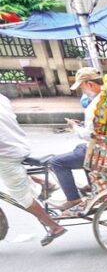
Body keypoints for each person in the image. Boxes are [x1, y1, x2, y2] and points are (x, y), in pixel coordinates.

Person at [0, 94, 67, 245]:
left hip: (6, 154)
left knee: (21, 197)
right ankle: (44, 183)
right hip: (19, 144)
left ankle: (54, 226)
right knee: (15, 174)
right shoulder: (2, 98)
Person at [48, 67, 103, 213]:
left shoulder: (94, 106)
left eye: (82, 87)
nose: (82, 91)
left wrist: (74, 127)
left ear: (90, 84)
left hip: (100, 150)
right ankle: (92, 185)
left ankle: (73, 198)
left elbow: (88, 135)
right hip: (104, 145)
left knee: (56, 162)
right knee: (80, 147)